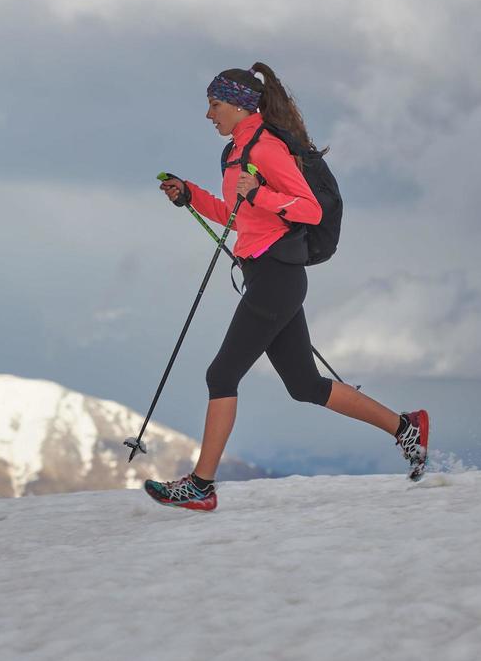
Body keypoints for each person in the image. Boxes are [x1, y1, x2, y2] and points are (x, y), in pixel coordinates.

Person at [147, 63, 428, 511]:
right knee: (305, 385)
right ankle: (404, 427)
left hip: (277, 276)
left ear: (239, 104)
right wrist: (191, 196)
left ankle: (201, 485)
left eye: (214, 105)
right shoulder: (237, 151)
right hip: (265, 275)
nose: (208, 114)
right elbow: (239, 216)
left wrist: (259, 192)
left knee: (221, 375)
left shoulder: (267, 147)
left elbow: (310, 210)